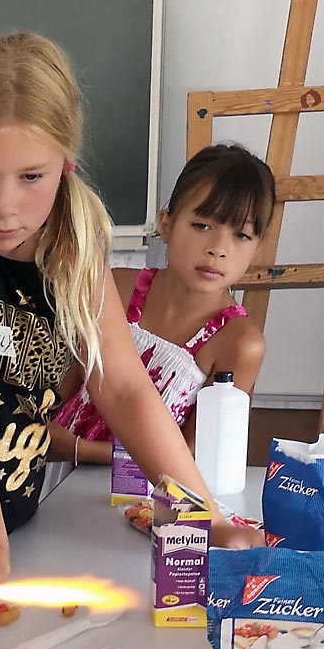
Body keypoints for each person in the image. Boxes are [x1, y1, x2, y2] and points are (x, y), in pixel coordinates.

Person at [0, 31, 263, 584]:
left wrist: (206, 517)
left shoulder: (75, 237)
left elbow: (121, 387)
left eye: (31, 177)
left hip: (14, 539)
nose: (5, 206)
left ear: (65, 163)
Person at [50, 143, 271, 464]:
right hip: (54, 470)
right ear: (166, 224)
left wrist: (78, 449)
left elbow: (195, 452)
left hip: (145, 492)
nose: (218, 248)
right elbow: (68, 385)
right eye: (202, 225)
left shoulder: (240, 343)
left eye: (241, 235)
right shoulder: (116, 286)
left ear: (258, 248)